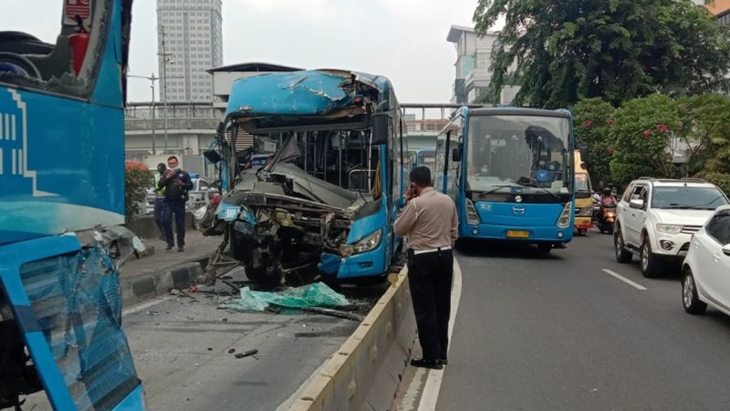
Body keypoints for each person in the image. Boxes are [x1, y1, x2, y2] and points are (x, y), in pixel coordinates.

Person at [393, 166, 459, 370]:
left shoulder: (415, 204)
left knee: (425, 308)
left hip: (422, 258)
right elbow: (454, 231)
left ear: (414, 184)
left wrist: (407, 203)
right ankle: (441, 354)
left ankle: (430, 357)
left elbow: (398, 229)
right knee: (442, 306)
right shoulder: (448, 200)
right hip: (445, 255)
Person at [157, 156, 193, 252]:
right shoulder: (166, 174)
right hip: (168, 201)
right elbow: (159, 185)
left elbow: (191, 186)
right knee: (165, 221)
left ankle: (180, 244)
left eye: (174, 163)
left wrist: (182, 184)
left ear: (177, 163)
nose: (172, 165)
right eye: (170, 163)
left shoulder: (183, 174)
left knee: (180, 224)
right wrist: (166, 178)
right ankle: (170, 242)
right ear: (168, 164)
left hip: (180, 201)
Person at [152, 163, 167, 241]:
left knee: (165, 218)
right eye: (159, 169)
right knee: (157, 218)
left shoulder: (168, 174)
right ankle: (163, 232)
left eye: (161, 169)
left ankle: (165, 234)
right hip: (158, 198)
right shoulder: (156, 175)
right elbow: (154, 185)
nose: (160, 171)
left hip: (166, 198)